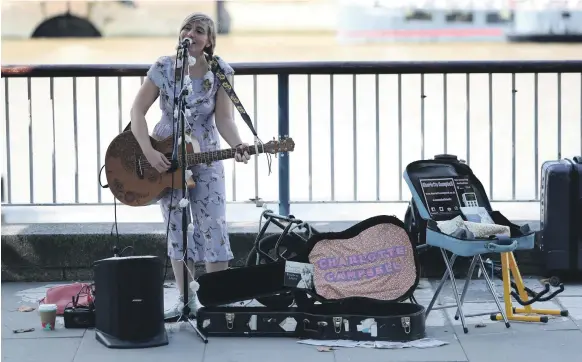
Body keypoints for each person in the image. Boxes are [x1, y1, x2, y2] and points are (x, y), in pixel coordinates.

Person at [129, 12, 251, 319]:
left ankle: (217, 302)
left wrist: (237, 143)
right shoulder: (163, 68)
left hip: (206, 156)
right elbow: (137, 112)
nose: (192, 34)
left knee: (214, 227)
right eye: (187, 28)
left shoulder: (220, 71)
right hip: (165, 158)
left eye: (200, 31)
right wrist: (148, 151)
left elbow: (224, 119)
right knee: (178, 230)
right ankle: (185, 301)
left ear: (209, 40)